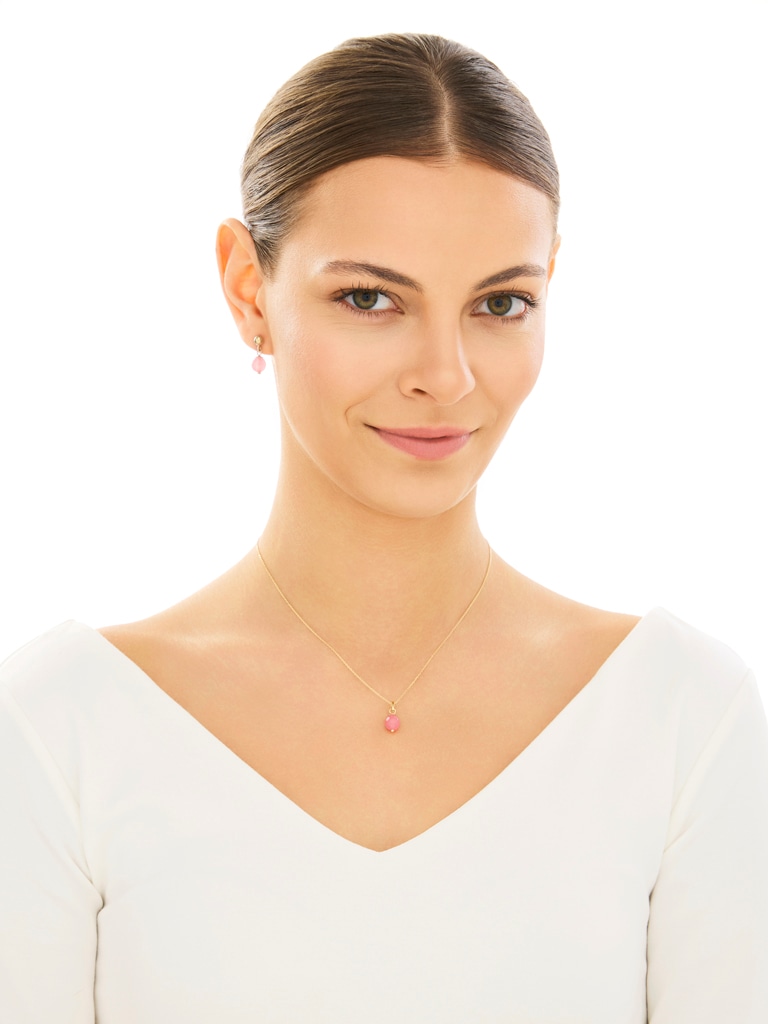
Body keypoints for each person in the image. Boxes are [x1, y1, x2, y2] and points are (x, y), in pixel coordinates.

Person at [1, 32, 767, 1024]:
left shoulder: (683, 719)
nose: (445, 375)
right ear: (247, 288)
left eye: (502, 302)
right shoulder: (58, 730)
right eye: (370, 298)